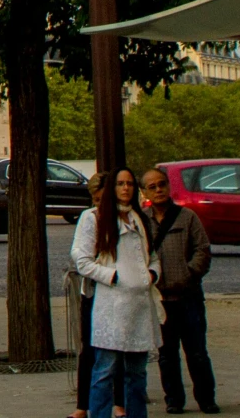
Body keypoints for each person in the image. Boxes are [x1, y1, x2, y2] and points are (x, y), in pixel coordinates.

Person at [74, 166, 162, 418]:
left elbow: (152, 257)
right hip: (111, 305)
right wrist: (113, 276)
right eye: (120, 184)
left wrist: (152, 274)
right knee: (105, 370)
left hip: (139, 306)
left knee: (137, 373)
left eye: (130, 184)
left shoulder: (139, 218)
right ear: (111, 188)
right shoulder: (93, 217)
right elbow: (82, 261)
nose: (125, 188)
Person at [144, 168, 217, 414]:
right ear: (145, 192)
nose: (158, 190)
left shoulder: (187, 217)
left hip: (189, 297)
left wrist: (189, 272)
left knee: (197, 352)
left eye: (161, 184)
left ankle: (206, 398)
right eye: (152, 186)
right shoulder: (143, 221)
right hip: (160, 300)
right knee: (166, 355)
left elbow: (202, 249)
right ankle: (174, 399)